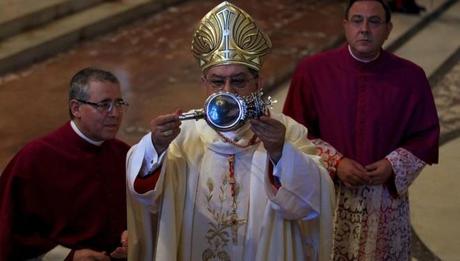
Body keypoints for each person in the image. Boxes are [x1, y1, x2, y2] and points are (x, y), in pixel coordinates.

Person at [126, 2, 335, 260]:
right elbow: (145, 195)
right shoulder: (183, 135)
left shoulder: (285, 131)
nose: (227, 91)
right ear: (204, 83)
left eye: (238, 81)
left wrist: (281, 153)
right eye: (217, 81)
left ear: (257, 82)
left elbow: (313, 200)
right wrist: (155, 146)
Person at [283, 0, 440, 260]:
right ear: (345, 25)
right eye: (357, 20)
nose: (364, 29)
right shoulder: (312, 71)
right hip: (329, 196)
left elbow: (424, 135)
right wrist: (336, 162)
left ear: (389, 29)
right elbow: (293, 132)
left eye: (374, 21)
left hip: (384, 204)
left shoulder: (411, 77)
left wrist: (392, 165)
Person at [0, 67, 130, 260]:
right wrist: (68, 256)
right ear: (76, 108)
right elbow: (10, 229)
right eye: (104, 105)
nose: (115, 113)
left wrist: (131, 234)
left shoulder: (123, 153)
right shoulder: (36, 157)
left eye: (118, 103)